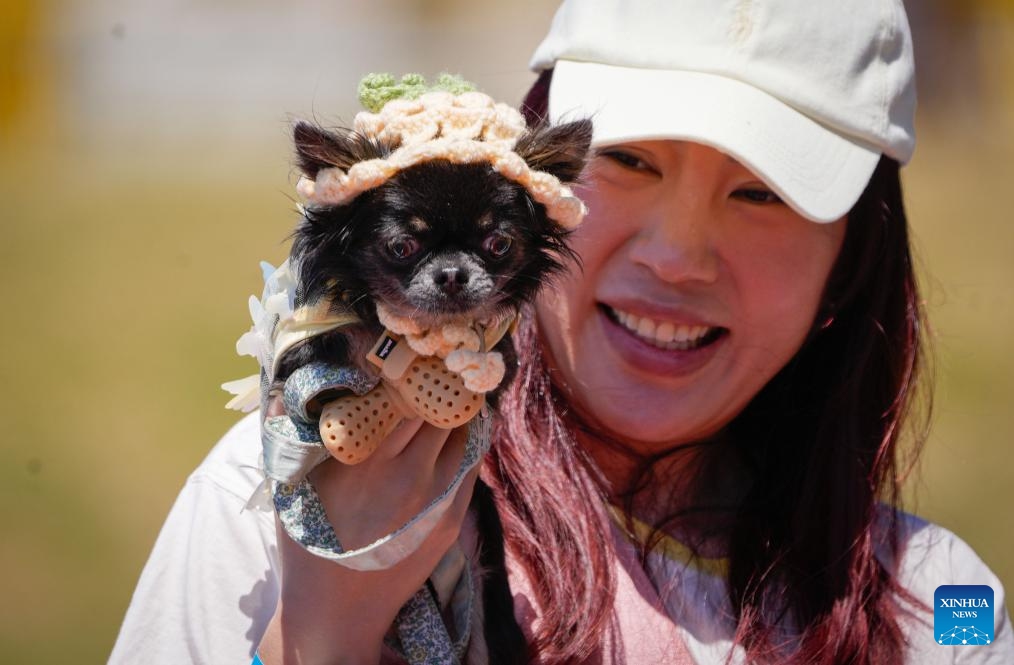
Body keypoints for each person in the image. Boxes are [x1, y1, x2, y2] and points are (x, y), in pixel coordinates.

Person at [110, 0, 1014, 663]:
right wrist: (324, 632)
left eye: (762, 193)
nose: (677, 257)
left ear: (855, 253)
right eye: (628, 159)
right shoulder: (282, 492)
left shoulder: (944, 604)